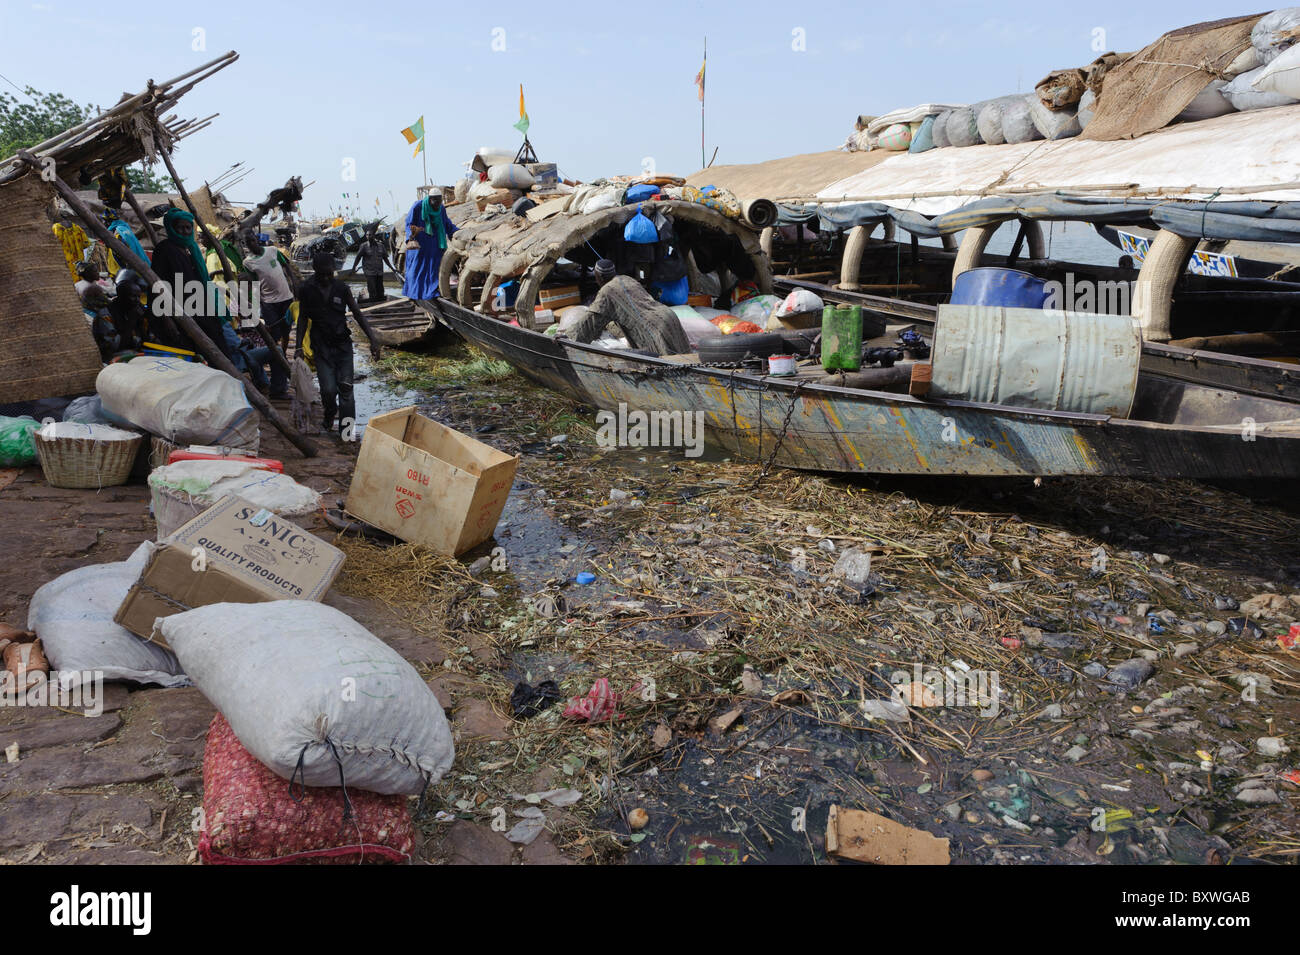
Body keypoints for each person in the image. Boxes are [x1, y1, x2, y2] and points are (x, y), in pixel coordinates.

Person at [295, 252, 382, 437]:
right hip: (321, 346)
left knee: (346, 389)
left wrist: (373, 340)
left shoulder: (342, 288)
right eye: (322, 274)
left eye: (329, 274)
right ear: (315, 270)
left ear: (334, 271)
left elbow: (357, 313)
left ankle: (347, 433)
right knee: (328, 390)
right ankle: (329, 415)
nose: (326, 278)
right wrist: (298, 347)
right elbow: (302, 317)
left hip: (343, 345)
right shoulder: (306, 289)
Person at [149, 208, 238, 362]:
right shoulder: (164, 250)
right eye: (180, 228)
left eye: (188, 227)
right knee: (193, 357)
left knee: (219, 351)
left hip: (201, 310)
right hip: (179, 314)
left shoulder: (191, 249)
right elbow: (158, 286)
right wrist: (166, 319)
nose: (185, 231)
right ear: (172, 228)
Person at [240, 231, 297, 398]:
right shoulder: (248, 262)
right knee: (272, 336)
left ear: (257, 240)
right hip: (268, 302)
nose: (251, 243)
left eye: (252, 240)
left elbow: (287, 266)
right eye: (247, 242)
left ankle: (282, 357)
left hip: (286, 298)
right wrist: (251, 302)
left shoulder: (272, 251)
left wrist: (294, 284)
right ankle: (277, 360)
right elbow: (252, 282)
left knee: (286, 331)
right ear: (246, 245)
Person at [402, 192, 457, 300]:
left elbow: (447, 224)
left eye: (439, 200)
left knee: (433, 270)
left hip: (435, 245)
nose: (437, 203)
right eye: (435, 200)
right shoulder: (418, 206)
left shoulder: (441, 208)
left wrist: (457, 232)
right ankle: (415, 293)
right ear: (429, 199)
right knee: (417, 270)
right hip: (420, 244)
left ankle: (432, 292)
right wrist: (410, 238)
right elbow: (409, 223)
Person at [349, 227, 395, 303]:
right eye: (367, 235)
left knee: (380, 290)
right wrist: (354, 268)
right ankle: (373, 305)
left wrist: (392, 268)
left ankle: (381, 305)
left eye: (370, 235)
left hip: (379, 271)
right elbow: (358, 258)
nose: (368, 237)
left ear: (374, 236)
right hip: (369, 271)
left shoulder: (381, 246)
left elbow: (385, 258)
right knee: (372, 289)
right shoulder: (363, 246)